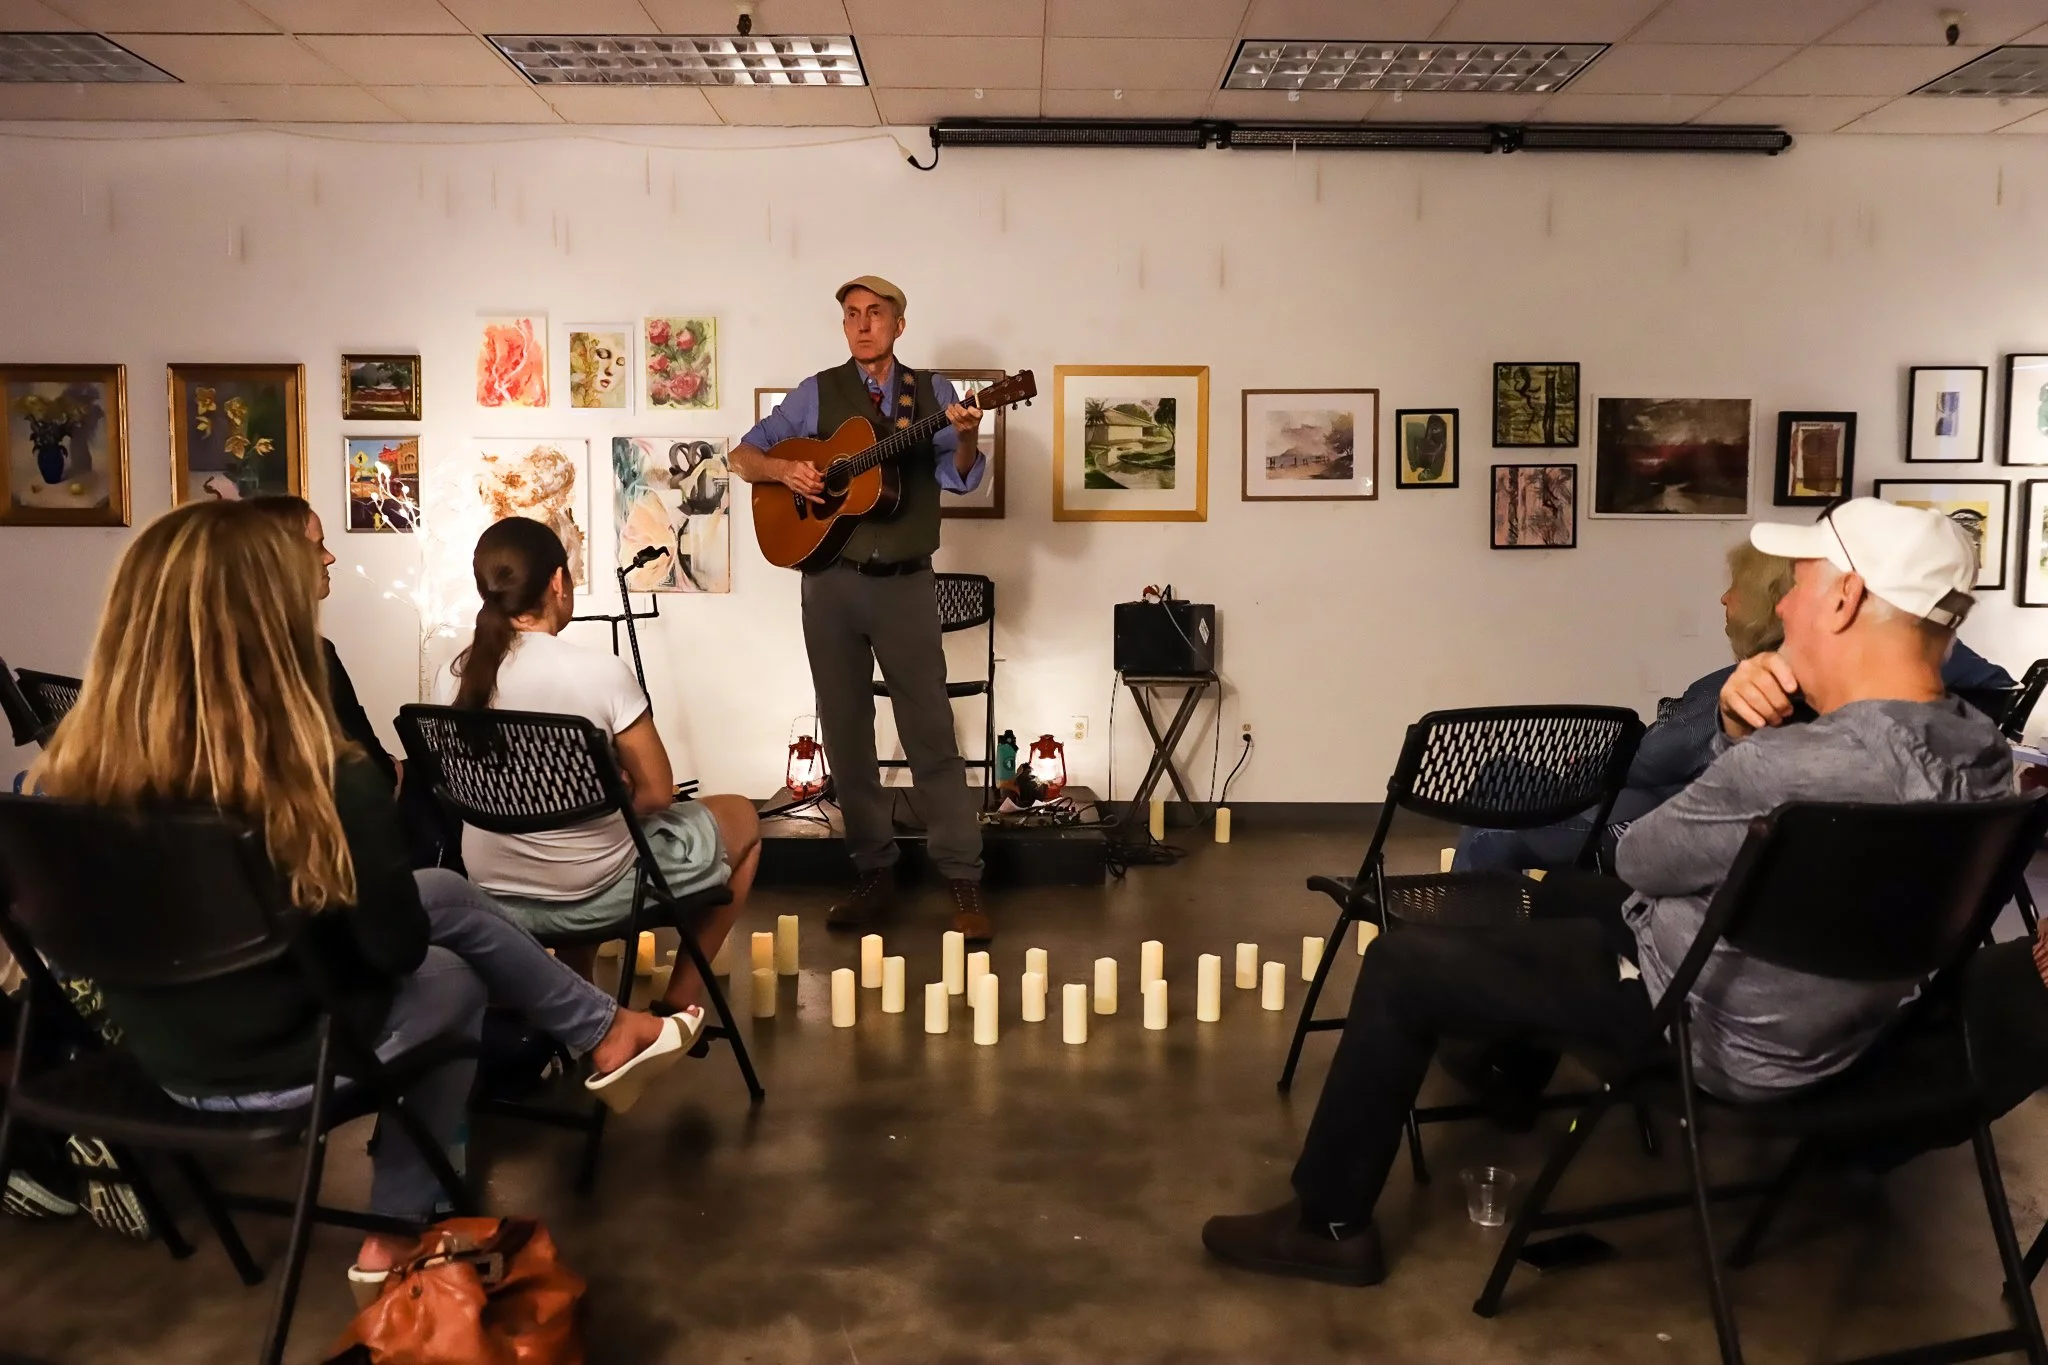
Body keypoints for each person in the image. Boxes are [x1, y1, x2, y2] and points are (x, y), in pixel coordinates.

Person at [1202, 498, 2012, 1286]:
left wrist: (1737, 735)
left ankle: (1327, 1224)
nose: (1787, 605)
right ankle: (1509, 1074)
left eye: (1799, 583)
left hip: (1709, 1024)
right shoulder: (1983, 760)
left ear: (1845, 599)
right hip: (1842, 1028)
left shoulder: (1793, 764)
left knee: (1403, 966)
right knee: (1564, 893)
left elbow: (1647, 861)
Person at [29, 501, 692, 1282]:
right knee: (452, 970)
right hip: (283, 1071)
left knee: (441, 887)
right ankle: (394, 1226)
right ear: (277, 621)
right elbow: (395, 948)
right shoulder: (324, 780)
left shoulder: (69, 784)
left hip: (160, 1066)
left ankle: (604, 1030)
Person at [1457, 534, 2013, 875]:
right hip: (1671, 807)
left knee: (1493, 822)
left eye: (1735, 587)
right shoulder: (1955, 709)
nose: (1724, 598)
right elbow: (1995, 686)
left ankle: (1463, 954)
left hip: (1671, 831)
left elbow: (1648, 767)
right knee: (1501, 778)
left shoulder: (1754, 684)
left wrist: (1593, 770)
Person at [729, 275, 994, 942]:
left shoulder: (933, 394)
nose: (863, 324)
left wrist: (966, 434)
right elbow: (742, 454)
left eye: (876, 313)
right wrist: (783, 472)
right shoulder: (817, 391)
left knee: (930, 730)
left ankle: (962, 874)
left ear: (900, 324)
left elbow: (960, 474)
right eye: (852, 314)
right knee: (846, 733)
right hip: (829, 582)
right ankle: (873, 869)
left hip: (904, 583)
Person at [433, 516, 759, 1021]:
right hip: (590, 887)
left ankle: (577, 1010)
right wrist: (609, 793)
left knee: (581, 834)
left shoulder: (452, 676)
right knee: (744, 817)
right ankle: (681, 999)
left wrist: (590, 797)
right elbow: (658, 794)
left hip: (492, 882)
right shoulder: (598, 672)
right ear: (558, 583)